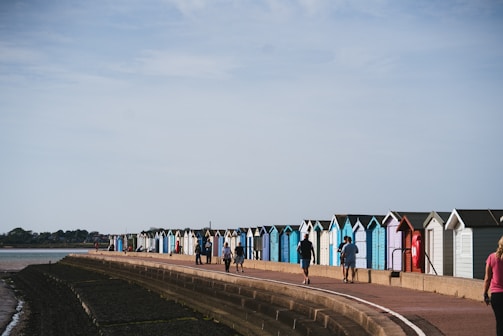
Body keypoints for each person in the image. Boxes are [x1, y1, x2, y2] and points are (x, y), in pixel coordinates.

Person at [484, 235, 503, 336]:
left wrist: (485, 293)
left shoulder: (492, 258)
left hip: (497, 295)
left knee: (500, 321)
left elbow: (487, 278)